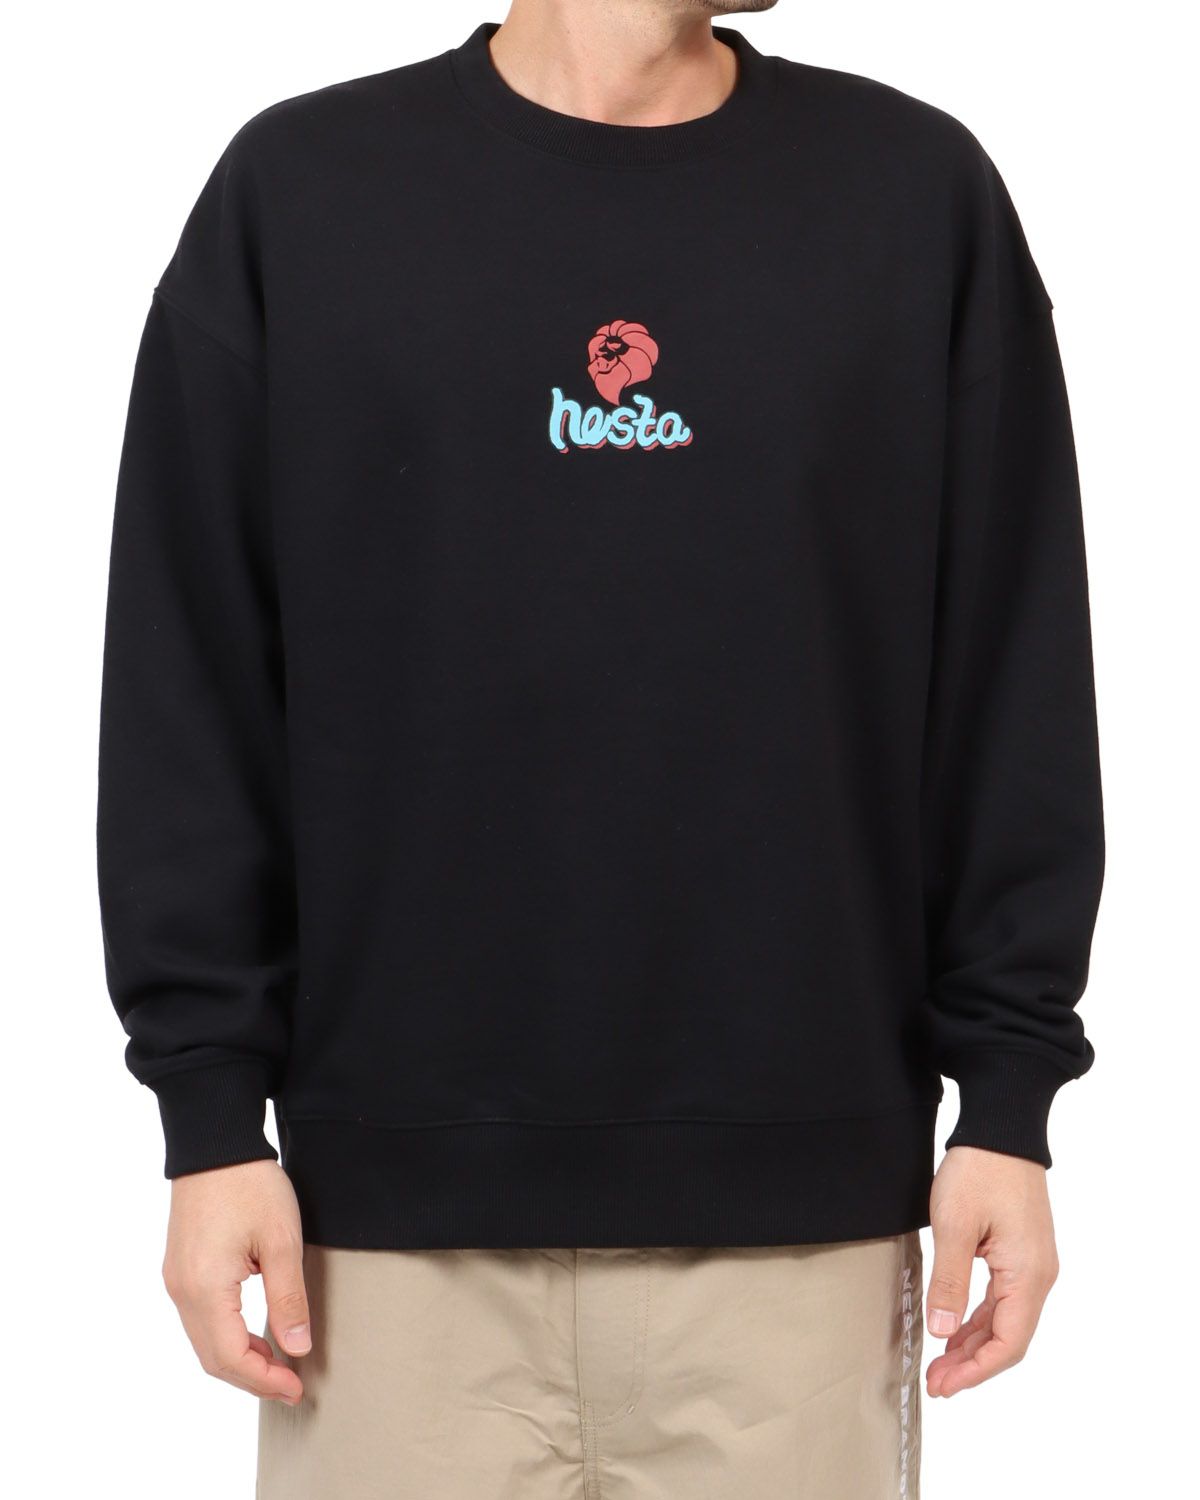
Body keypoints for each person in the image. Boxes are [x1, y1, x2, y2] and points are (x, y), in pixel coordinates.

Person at [96, 2, 1104, 1495]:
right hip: (380, 1241)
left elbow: (1011, 680)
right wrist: (205, 1118)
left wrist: (1009, 1106)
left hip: (802, 1232)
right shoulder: (303, 193)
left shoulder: (911, 194)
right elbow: (191, 686)